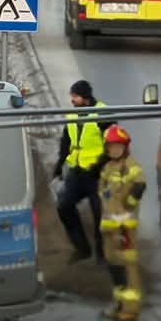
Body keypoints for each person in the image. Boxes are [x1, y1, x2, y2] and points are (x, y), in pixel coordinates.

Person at [97, 125, 147, 321]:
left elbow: (140, 186)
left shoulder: (131, 166)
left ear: (125, 147)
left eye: (118, 146)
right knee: (114, 265)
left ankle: (130, 308)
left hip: (125, 228)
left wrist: (129, 205)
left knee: (128, 265)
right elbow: (103, 192)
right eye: (111, 147)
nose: (114, 150)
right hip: (110, 226)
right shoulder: (108, 168)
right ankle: (119, 303)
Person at [54, 79, 107, 261]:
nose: (72, 100)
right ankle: (82, 248)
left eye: (75, 97)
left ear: (85, 97)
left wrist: (99, 165)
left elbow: (114, 146)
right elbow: (65, 142)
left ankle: (102, 255)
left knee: (101, 216)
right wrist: (59, 167)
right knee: (64, 206)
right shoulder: (72, 115)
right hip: (77, 172)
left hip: (98, 175)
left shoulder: (102, 113)